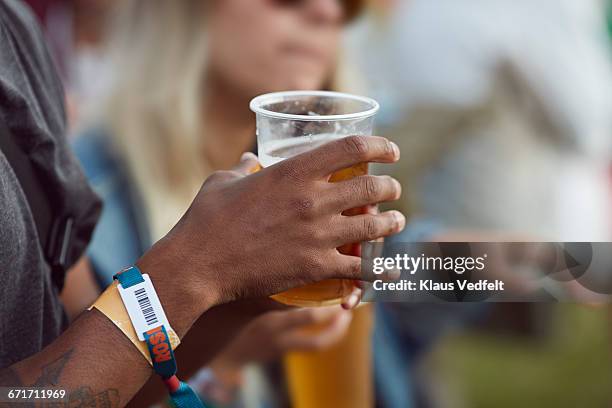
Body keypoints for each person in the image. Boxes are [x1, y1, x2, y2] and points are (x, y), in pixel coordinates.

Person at [0, 1, 405, 407]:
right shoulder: (100, 187)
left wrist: (465, 260)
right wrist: (197, 277)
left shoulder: (17, 33)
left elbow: (101, 375)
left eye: (348, 5)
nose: (326, 11)